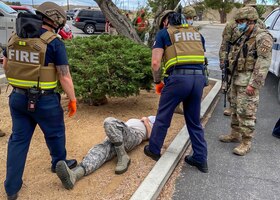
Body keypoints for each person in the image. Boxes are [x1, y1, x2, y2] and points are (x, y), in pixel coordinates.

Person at [2, 2, 78, 199]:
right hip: (45, 101)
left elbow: (6, 63)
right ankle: (59, 164)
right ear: (56, 19)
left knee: (18, 140)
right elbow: (64, 76)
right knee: (55, 134)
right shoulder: (54, 42)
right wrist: (73, 99)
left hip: (17, 98)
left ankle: (11, 188)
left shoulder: (14, 38)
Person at [143, 9, 208, 173]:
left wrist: (157, 81)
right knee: (193, 120)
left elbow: (156, 63)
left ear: (166, 22)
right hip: (198, 79)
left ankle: (154, 150)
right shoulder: (196, 34)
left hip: (178, 80)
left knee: (163, 116)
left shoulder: (164, 33)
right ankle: (200, 159)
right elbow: (200, 57)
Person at [218, 7, 273, 156]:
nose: (238, 25)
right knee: (235, 108)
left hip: (248, 80)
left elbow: (263, 63)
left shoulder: (262, 37)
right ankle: (235, 134)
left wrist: (254, 84)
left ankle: (246, 141)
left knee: (247, 112)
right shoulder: (244, 35)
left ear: (251, 21)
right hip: (237, 78)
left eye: (241, 22)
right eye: (237, 22)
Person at [55, 116, 155, 190]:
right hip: (118, 136)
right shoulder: (141, 119)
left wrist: (146, 122)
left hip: (133, 136)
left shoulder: (155, 122)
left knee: (109, 122)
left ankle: (123, 156)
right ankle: (74, 175)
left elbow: (151, 136)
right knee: (99, 151)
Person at [219, 3, 266, 117]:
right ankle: (232, 107)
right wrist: (222, 59)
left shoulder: (260, 25)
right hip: (233, 58)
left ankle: (247, 113)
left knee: (246, 91)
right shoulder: (232, 24)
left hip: (249, 60)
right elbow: (225, 43)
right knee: (231, 84)